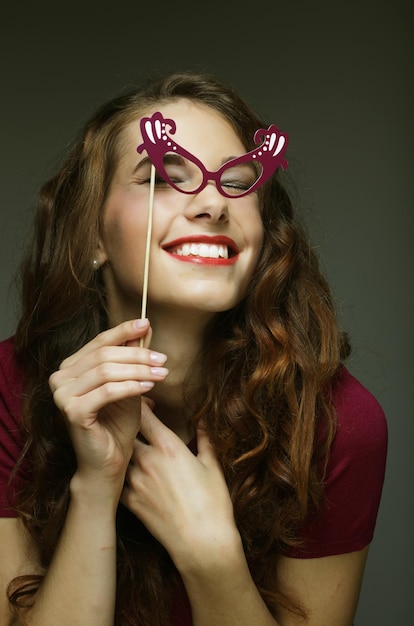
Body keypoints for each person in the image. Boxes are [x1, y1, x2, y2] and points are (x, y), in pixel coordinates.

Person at [0, 71, 387, 626]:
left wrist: (211, 559)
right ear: (91, 235)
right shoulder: (7, 390)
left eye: (237, 182)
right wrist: (94, 489)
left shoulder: (337, 423)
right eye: (162, 175)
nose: (212, 203)